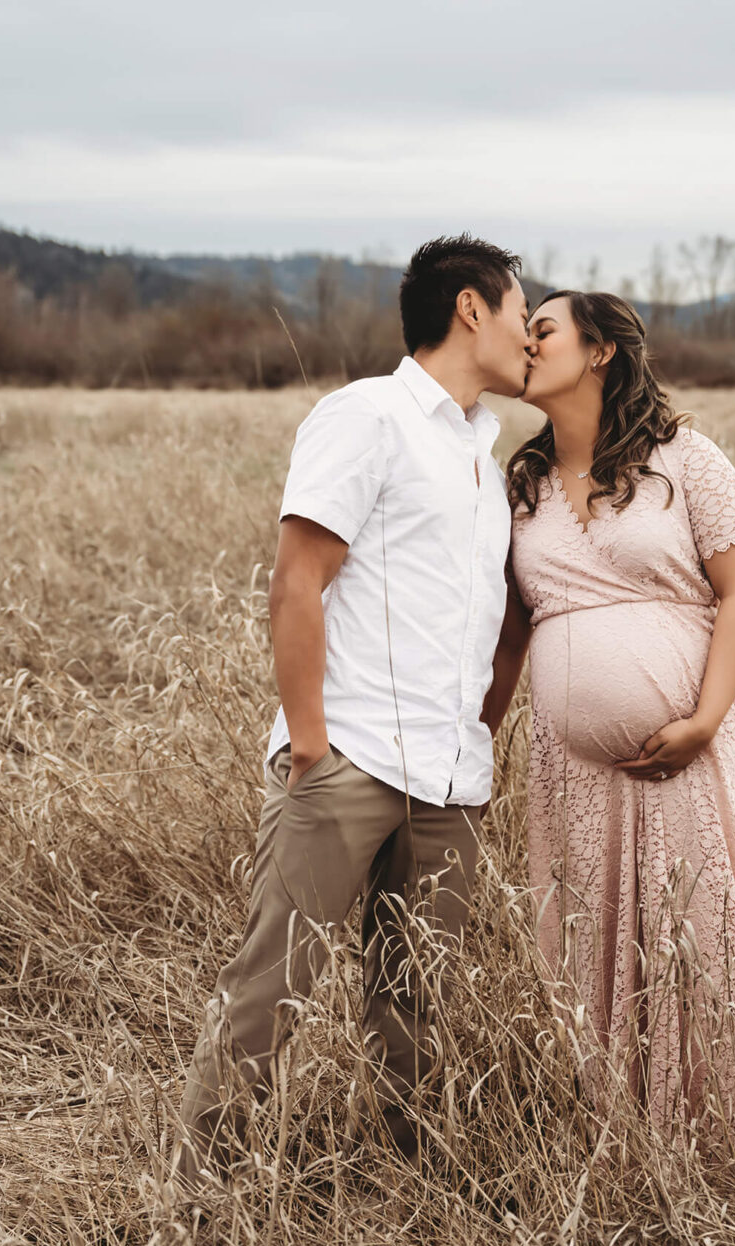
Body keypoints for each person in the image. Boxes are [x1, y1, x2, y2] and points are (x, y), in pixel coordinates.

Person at [177, 234, 530, 1182]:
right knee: (270, 990)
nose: (530, 334)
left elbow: (492, 623)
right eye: (518, 311)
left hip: (449, 781)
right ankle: (200, 1198)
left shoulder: (484, 461)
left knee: (415, 1001)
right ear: (470, 309)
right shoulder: (366, 416)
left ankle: (413, 1177)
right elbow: (297, 582)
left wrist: (478, 738)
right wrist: (309, 748)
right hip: (349, 761)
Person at [487, 290, 735, 1133]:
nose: (524, 344)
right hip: (575, 773)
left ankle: (730, 1133)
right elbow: (509, 637)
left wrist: (705, 719)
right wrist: (473, 743)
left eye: (543, 329)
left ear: (599, 351)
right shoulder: (518, 484)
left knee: (701, 931)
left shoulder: (688, 461)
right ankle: (617, 1130)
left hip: (690, 749)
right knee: (595, 940)